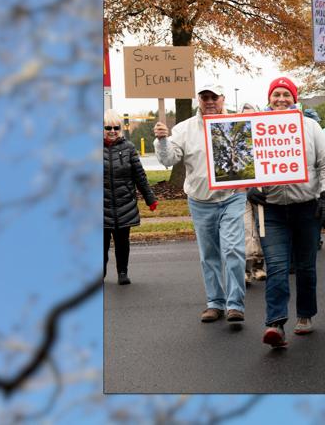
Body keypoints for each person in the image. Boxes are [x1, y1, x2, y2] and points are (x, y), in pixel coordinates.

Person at [247, 76, 325, 348]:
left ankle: (305, 315)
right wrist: (249, 186)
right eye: (277, 95)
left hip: (306, 208)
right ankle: (275, 323)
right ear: (269, 98)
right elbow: (243, 162)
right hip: (271, 210)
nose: (282, 99)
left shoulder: (309, 127)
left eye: (287, 94)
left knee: (306, 267)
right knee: (276, 266)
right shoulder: (255, 128)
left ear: (294, 98)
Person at [153, 84, 248, 325]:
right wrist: (162, 140)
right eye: (205, 97)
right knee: (209, 255)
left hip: (232, 197)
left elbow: (254, 154)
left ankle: (235, 304)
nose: (209, 102)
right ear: (198, 99)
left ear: (223, 98)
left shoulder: (239, 124)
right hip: (200, 200)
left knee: (233, 250)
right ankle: (215, 302)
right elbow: (168, 159)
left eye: (214, 97)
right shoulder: (183, 129)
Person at [104, 109, 157, 285]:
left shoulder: (129, 148)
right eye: (108, 127)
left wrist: (150, 198)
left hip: (124, 204)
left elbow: (139, 175)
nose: (112, 131)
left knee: (122, 242)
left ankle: (122, 272)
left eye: (116, 127)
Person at [241, 103, 266, 283]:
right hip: (241, 191)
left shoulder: (265, 138)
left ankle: (259, 266)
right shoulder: (238, 141)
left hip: (261, 191)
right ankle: (246, 270)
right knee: (245, 229)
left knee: (262, 228)